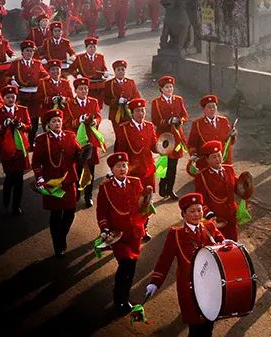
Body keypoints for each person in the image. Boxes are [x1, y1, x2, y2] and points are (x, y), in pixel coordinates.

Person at [145, 193, 228, 337]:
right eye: (192, 211)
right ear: (183, 214)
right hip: (190, 289)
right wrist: (155, 282)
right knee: (195, 328)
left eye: (199, 210)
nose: (197, 214)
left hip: (210, 285)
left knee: (208, 324)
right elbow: (165, 260)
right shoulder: (176, 234)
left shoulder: (209, 227)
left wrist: (227, 244)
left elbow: (222, 242)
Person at [97, 152, 150, 315]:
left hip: (135, 232)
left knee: (131, 267)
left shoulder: (136, 182)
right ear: (112, 169)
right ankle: (119, 299)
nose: (122, 169)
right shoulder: (105, 187)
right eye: (118, 166)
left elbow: (142, 206)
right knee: (125, 264)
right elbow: (102, 212)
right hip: (118, 235)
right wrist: (105, 229)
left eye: (124, 165)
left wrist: (148, 201)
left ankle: (123, 295)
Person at [31, 109, 84, 257]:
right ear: (48, 124)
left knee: (70, 212)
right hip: (52, 184)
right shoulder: (42, 140)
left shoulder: (71, 136)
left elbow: (78, 155)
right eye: (53, 121)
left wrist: (83, 154)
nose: (57, 124)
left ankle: (62, 236)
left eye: (59, 121)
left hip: (69, 182)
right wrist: (39, 178)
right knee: (56, 214)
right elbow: (36, 162)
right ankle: (57, 244)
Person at [115, 98, 156, 240]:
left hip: (148, 170)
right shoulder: (124, 128)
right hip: (133, 172)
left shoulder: (149, 126)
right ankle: (131, 228)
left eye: (143, 110)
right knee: (133, 202)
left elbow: (154, 146)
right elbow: (120, 152)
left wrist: (165, 145)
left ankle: (144, 228)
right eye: (138, 111)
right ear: (132, 113)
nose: (141, 113)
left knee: (147, 200)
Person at [63, 77, 105, 207]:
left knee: (90, 169)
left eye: (86, 89)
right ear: (75, 91)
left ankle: (88, 196)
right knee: (77, 168)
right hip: (76, 141)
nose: (84, 91)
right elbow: (66, 123)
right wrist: (78, 121)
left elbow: (98, 116)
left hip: (91, 140)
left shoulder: (93, 102)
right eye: (80, 89)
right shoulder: (69, 104)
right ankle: (76, 194)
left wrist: (95, 121)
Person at [190, 140, 241, 241]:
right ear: (207, 160)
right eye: (214, 157)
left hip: (231, 215)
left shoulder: (229, 169)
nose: (218, 159)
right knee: (220, 245)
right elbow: (201, 200)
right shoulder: (202, 177)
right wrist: (209, 214)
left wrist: (245, 186)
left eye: (219, 155)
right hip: (217, 219)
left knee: (234, 242)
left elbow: (237, 188)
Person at [0, 85, 32, 214]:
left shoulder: (22, 110)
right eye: (8, 97)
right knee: (10, 176)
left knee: (19, 178)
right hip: (7, 149)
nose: (11, 99)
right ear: (3, 98)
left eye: (13, 97)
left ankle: (16, 206)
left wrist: (21, 125)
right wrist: (4, 126)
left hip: (20, 148)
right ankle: (6, 195)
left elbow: (29, 127)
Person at [150, 75, 188, 199]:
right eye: (166, 87)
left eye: (171, 87)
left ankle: (170, 189)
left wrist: (180, 120)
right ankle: (162, 185)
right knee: (164, 162)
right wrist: (168, 121)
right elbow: (155, 120)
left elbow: (185, 115)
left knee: (173, 164)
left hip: (176, 137)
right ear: (161, 89)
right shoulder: (156, 102)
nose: (169, 89)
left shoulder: (178, 100)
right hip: (164, 137)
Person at [7, 40, 48, 142]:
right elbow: (6, 75)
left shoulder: (38, 64)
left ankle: (31, 141)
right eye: (27, 51)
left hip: (34, 97)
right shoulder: (16, 64)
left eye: (31, 51)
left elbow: (46, 76)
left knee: (34, 122)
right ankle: (19, 141)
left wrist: (41, 83)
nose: (29, 53)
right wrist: (12, 81)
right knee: (20, 120)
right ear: (22, 52)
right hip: (22, 96)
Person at [187, 94, 236, 164]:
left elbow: (229, 142)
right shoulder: (197, 124)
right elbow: (191, 144)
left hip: (224, 160)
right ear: (204, 109)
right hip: (207, 161)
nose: (212, 109)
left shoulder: (224, 121)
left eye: (214, 106)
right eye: (209, 107)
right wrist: (194, 156)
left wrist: (233, 135)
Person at [67, 36, 109, 100]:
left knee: (99, 105)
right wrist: (77, 75)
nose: (92, 49)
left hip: (100, 85)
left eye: (94, 47)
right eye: (90, 47)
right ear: (86, 48)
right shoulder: (80, 58)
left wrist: (106, 73)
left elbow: (104, 68)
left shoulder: (100, 57)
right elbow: (71, 69)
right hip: (87, 86)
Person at [104, 60, 140, 131]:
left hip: (129, 114)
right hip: (115, 114)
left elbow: (137, 97)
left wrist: (130, 103)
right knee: (119, 134)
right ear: (114, 71)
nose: (121, 72)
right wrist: (117, 101)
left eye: (123, 69)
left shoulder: (131, 82)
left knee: (129, 133)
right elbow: (106, 100)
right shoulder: (108, 84)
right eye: (118, 70)